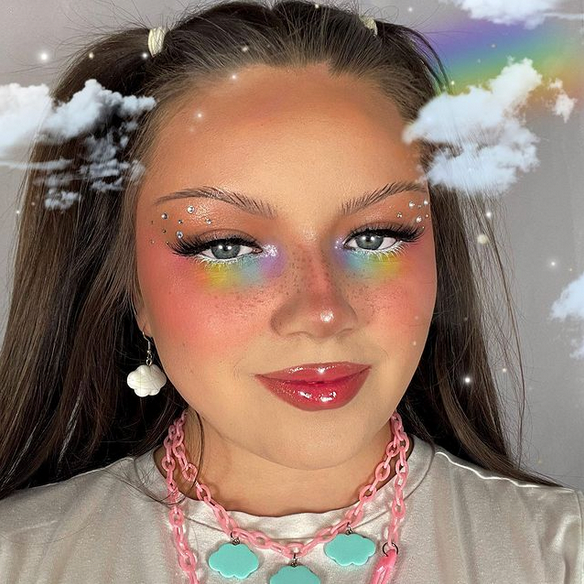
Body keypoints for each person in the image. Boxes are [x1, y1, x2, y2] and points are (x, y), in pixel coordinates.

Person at [0, 1, 581, 582]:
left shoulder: (561, 555)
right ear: (132, 286)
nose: (323, 312)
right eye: (226, 246)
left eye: (375, 237)